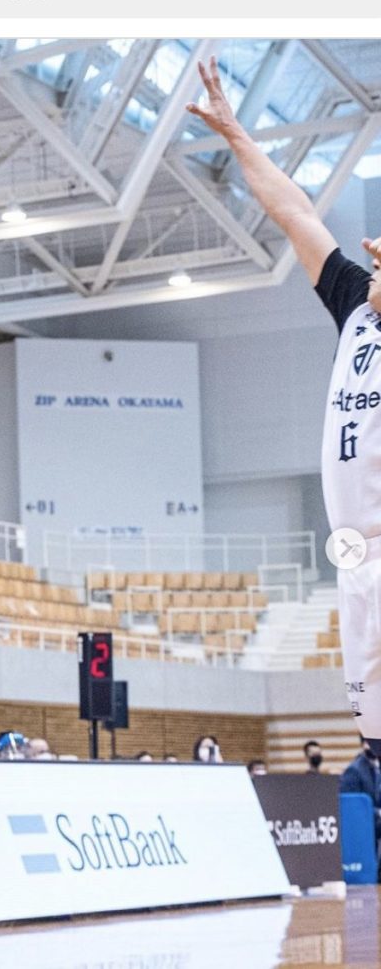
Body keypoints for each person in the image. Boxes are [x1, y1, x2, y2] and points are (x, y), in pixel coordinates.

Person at [189, 56, 381, 755]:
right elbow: (294, 210)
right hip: (356, 558)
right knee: (374, 739)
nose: (372, 249)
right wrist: (237, 134)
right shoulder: (354, 303)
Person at [340, 735, 381, 843]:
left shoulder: (376, 766)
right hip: (362, 832)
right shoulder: (354, 770)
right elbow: (352, 807)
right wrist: (379, 813)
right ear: (364, 744)